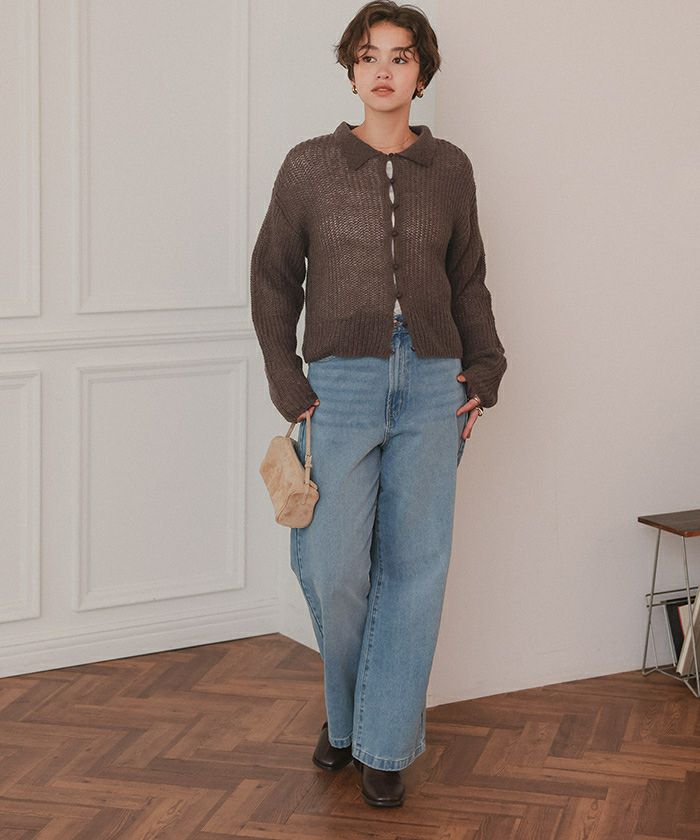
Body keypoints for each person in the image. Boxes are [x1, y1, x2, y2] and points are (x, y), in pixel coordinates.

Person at [250, 0, 506, 808]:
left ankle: (382, 743)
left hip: (433, 382)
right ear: (351, 70)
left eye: (400, 56)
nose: (384, 70)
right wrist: (290, 382)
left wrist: (484, 370)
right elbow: (272, 278)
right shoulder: (309, 166)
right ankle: (348, 715)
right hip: (341, 384)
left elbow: (467, 278)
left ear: (421, 73)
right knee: (332, 568)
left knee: (415, 569)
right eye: (369, 56)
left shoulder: (451, 168)